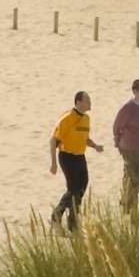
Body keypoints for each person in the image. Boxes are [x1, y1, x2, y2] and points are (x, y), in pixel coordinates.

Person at [49, 89, 95, 232]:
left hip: (80, 156)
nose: (90, 103)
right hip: (66, 156)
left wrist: (95, 146)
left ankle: (72, 221)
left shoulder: (86, 119)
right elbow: (53, 140)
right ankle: (56, 215)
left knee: (82, 186)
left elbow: (84, 138)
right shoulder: (67, 118)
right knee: (73, 188)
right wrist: (53, 163)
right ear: (78, 102)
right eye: (87, 100)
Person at [112, 78, 139, 205]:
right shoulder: (128, 108)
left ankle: (127, 195)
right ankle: (129, 205)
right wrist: (118, 142)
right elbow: (117, 126)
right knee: (135, 179)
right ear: (135, 91)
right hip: (130, 148)